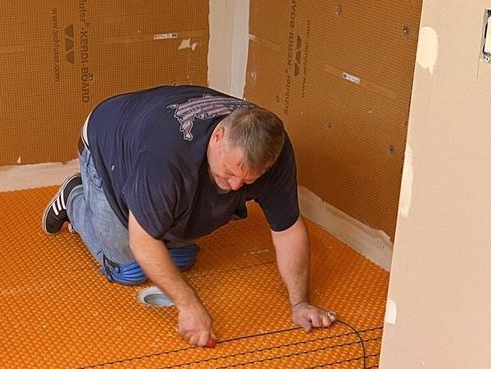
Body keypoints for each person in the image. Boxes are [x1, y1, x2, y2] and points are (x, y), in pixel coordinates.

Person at [42, 85, 337, 347]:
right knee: (128, 270)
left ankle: (154, 208)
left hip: (154, 144)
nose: (236, 186)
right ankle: (75, 198)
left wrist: (300, 303)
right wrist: (188, 305)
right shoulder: (166, 157)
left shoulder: (273, 150)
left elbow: (287, 229)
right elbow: (142, 242)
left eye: (248, 181)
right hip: (108, 145)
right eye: (232, 172)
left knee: (180, 261)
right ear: (218, 137)